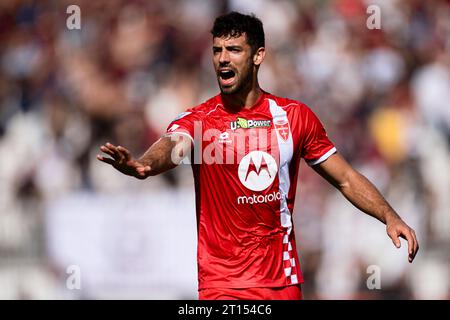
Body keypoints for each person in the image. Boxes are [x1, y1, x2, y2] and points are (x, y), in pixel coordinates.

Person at [97, 11, 419, 300]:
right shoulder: (200, 120)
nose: (223, 59)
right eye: (217, 51)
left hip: (280, 282)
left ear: (258, 56)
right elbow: (174, 144)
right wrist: (145, 164)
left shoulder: (293, 117)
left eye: (234, 50)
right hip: (221, 285)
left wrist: (388, 216)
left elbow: (346, 179)